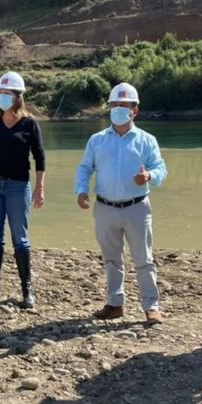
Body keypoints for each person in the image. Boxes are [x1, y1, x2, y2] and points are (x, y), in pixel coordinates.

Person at [75, 82, 167, 324]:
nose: (117, 109)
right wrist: (81, 190)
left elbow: (160, 168)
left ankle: (151, 306)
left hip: (137, 207)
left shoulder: (147, 140)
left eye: (123, 105)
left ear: (134, 110)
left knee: (143, 260)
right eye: (114, 104)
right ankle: (115, 304)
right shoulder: (97, 140)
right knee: (111, 259)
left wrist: (149, 176)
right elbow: (85, 167)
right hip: (105, 208)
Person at [0, 71, 45, 308]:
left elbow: (39, 157)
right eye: (0, 93)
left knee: (20, 238)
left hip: (18, 186)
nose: (3, 97)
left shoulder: (29, 123)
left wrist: (39, 188)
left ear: (18, 96)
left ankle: (27, 289)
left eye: (8, 93)